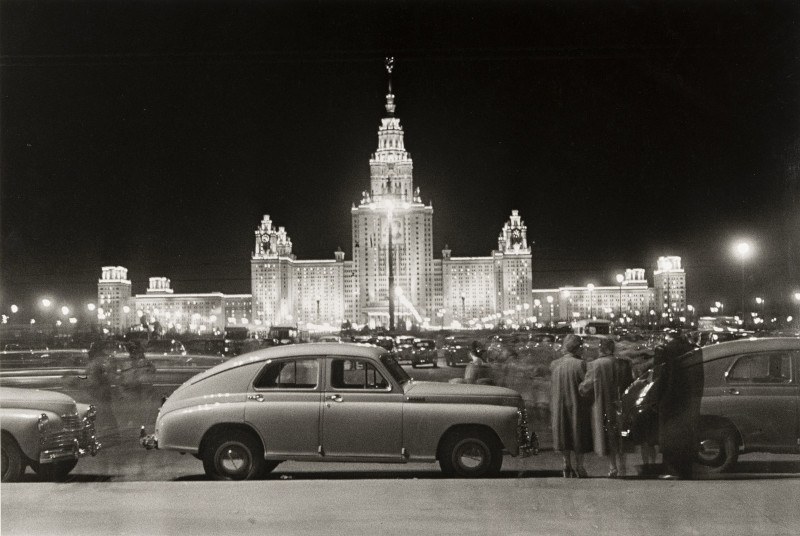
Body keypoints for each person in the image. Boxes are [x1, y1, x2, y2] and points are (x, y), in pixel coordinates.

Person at [652, 331, 701, 479]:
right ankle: (686, 470)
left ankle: (670, 470)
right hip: (688, 397)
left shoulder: (665, 351)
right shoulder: (693, 350)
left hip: (669, 397)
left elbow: (659, 377)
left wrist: (656, 398)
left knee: (669, 435)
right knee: (685, 433)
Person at [579, 338, 629, 477]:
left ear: (601, 349)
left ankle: (613, 467)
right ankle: (623, 467)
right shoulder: (623, 363)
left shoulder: (595, 365)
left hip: (604, 405)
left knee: (608, 436)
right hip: (621, 404)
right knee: (620, 435)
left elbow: (586, 387)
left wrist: (580, 388)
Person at [550, 334, 592, 478]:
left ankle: (566, 464)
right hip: (576, 406)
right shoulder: (580, 364)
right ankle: (580, 466)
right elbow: (585, 386)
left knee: (563, 435)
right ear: (576, 348)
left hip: (558, 405)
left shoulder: (554, 364)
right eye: (581, 347)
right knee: (578, 436)